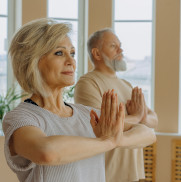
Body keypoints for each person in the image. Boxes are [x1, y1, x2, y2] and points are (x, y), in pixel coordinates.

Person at [2, 19, 156, 182]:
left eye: (73, 53)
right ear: (32, 61)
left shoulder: (85, 114)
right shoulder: (21, 118)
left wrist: (119, 139)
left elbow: (148, 133)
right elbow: (47, 152)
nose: (71, 61)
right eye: (59, 53)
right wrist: (108, 141)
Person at [74, 28, 158, 182]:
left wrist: (142, 117)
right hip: (106, 174)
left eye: (120, 45)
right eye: (113, 46)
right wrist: (137, 117)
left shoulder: (126, 84)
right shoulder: (87, 83)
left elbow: (154, 120)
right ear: (97, 53)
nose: (121, 50)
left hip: (135, 175)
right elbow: (103, 125)